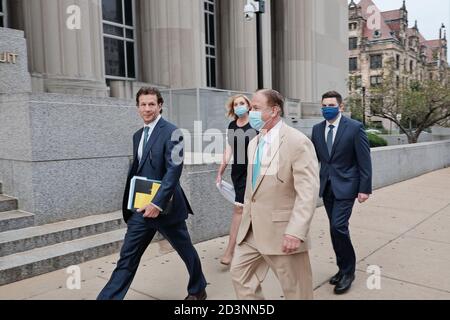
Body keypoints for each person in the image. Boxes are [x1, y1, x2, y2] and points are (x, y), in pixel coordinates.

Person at [97, 87, 207, 300]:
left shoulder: (172, 132)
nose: (147, 109)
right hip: (141, 208)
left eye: (151, 104)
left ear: (160, 106)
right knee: (127, 258)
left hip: (166, 208)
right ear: (138, 107)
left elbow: (174, 170)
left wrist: (157, 204)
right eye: (143, 104)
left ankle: (198, 288)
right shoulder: (138, 136)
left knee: (186, 251)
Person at [230, 89, 320, 300]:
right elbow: (253, 189)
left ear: (274, 110)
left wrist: (296, 232)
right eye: (250, 107)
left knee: (297, 292)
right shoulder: (254, 143)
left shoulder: (297, 142)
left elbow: (307, 191)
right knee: (239, 275)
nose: (250, 112)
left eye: (256, 108)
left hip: (283, 232)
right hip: (251, 231)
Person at [311, 91, 372, 295]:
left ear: (341, 107)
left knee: (339, 227)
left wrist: (364, 188)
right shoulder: (317, 129)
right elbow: (313, 158)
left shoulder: (354, 128)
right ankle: (341, 268)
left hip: (347, 186)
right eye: (324, 105)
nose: (327, 108)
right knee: (334, 229)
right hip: (327, 186)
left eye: (331, 105)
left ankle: (348, 272)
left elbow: (364, 160)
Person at [216, 95, 258, 266]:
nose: (239, 106)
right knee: (243, 210)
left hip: (254, 172)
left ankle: (232, 250)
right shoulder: (232, 126)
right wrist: (220, 172)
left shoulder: (256, 124)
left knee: (243, 210)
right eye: (236, 104)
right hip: (238, 173)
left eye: (242, 103)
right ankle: (237, 248)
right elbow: (228, 151)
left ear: (248, 106)